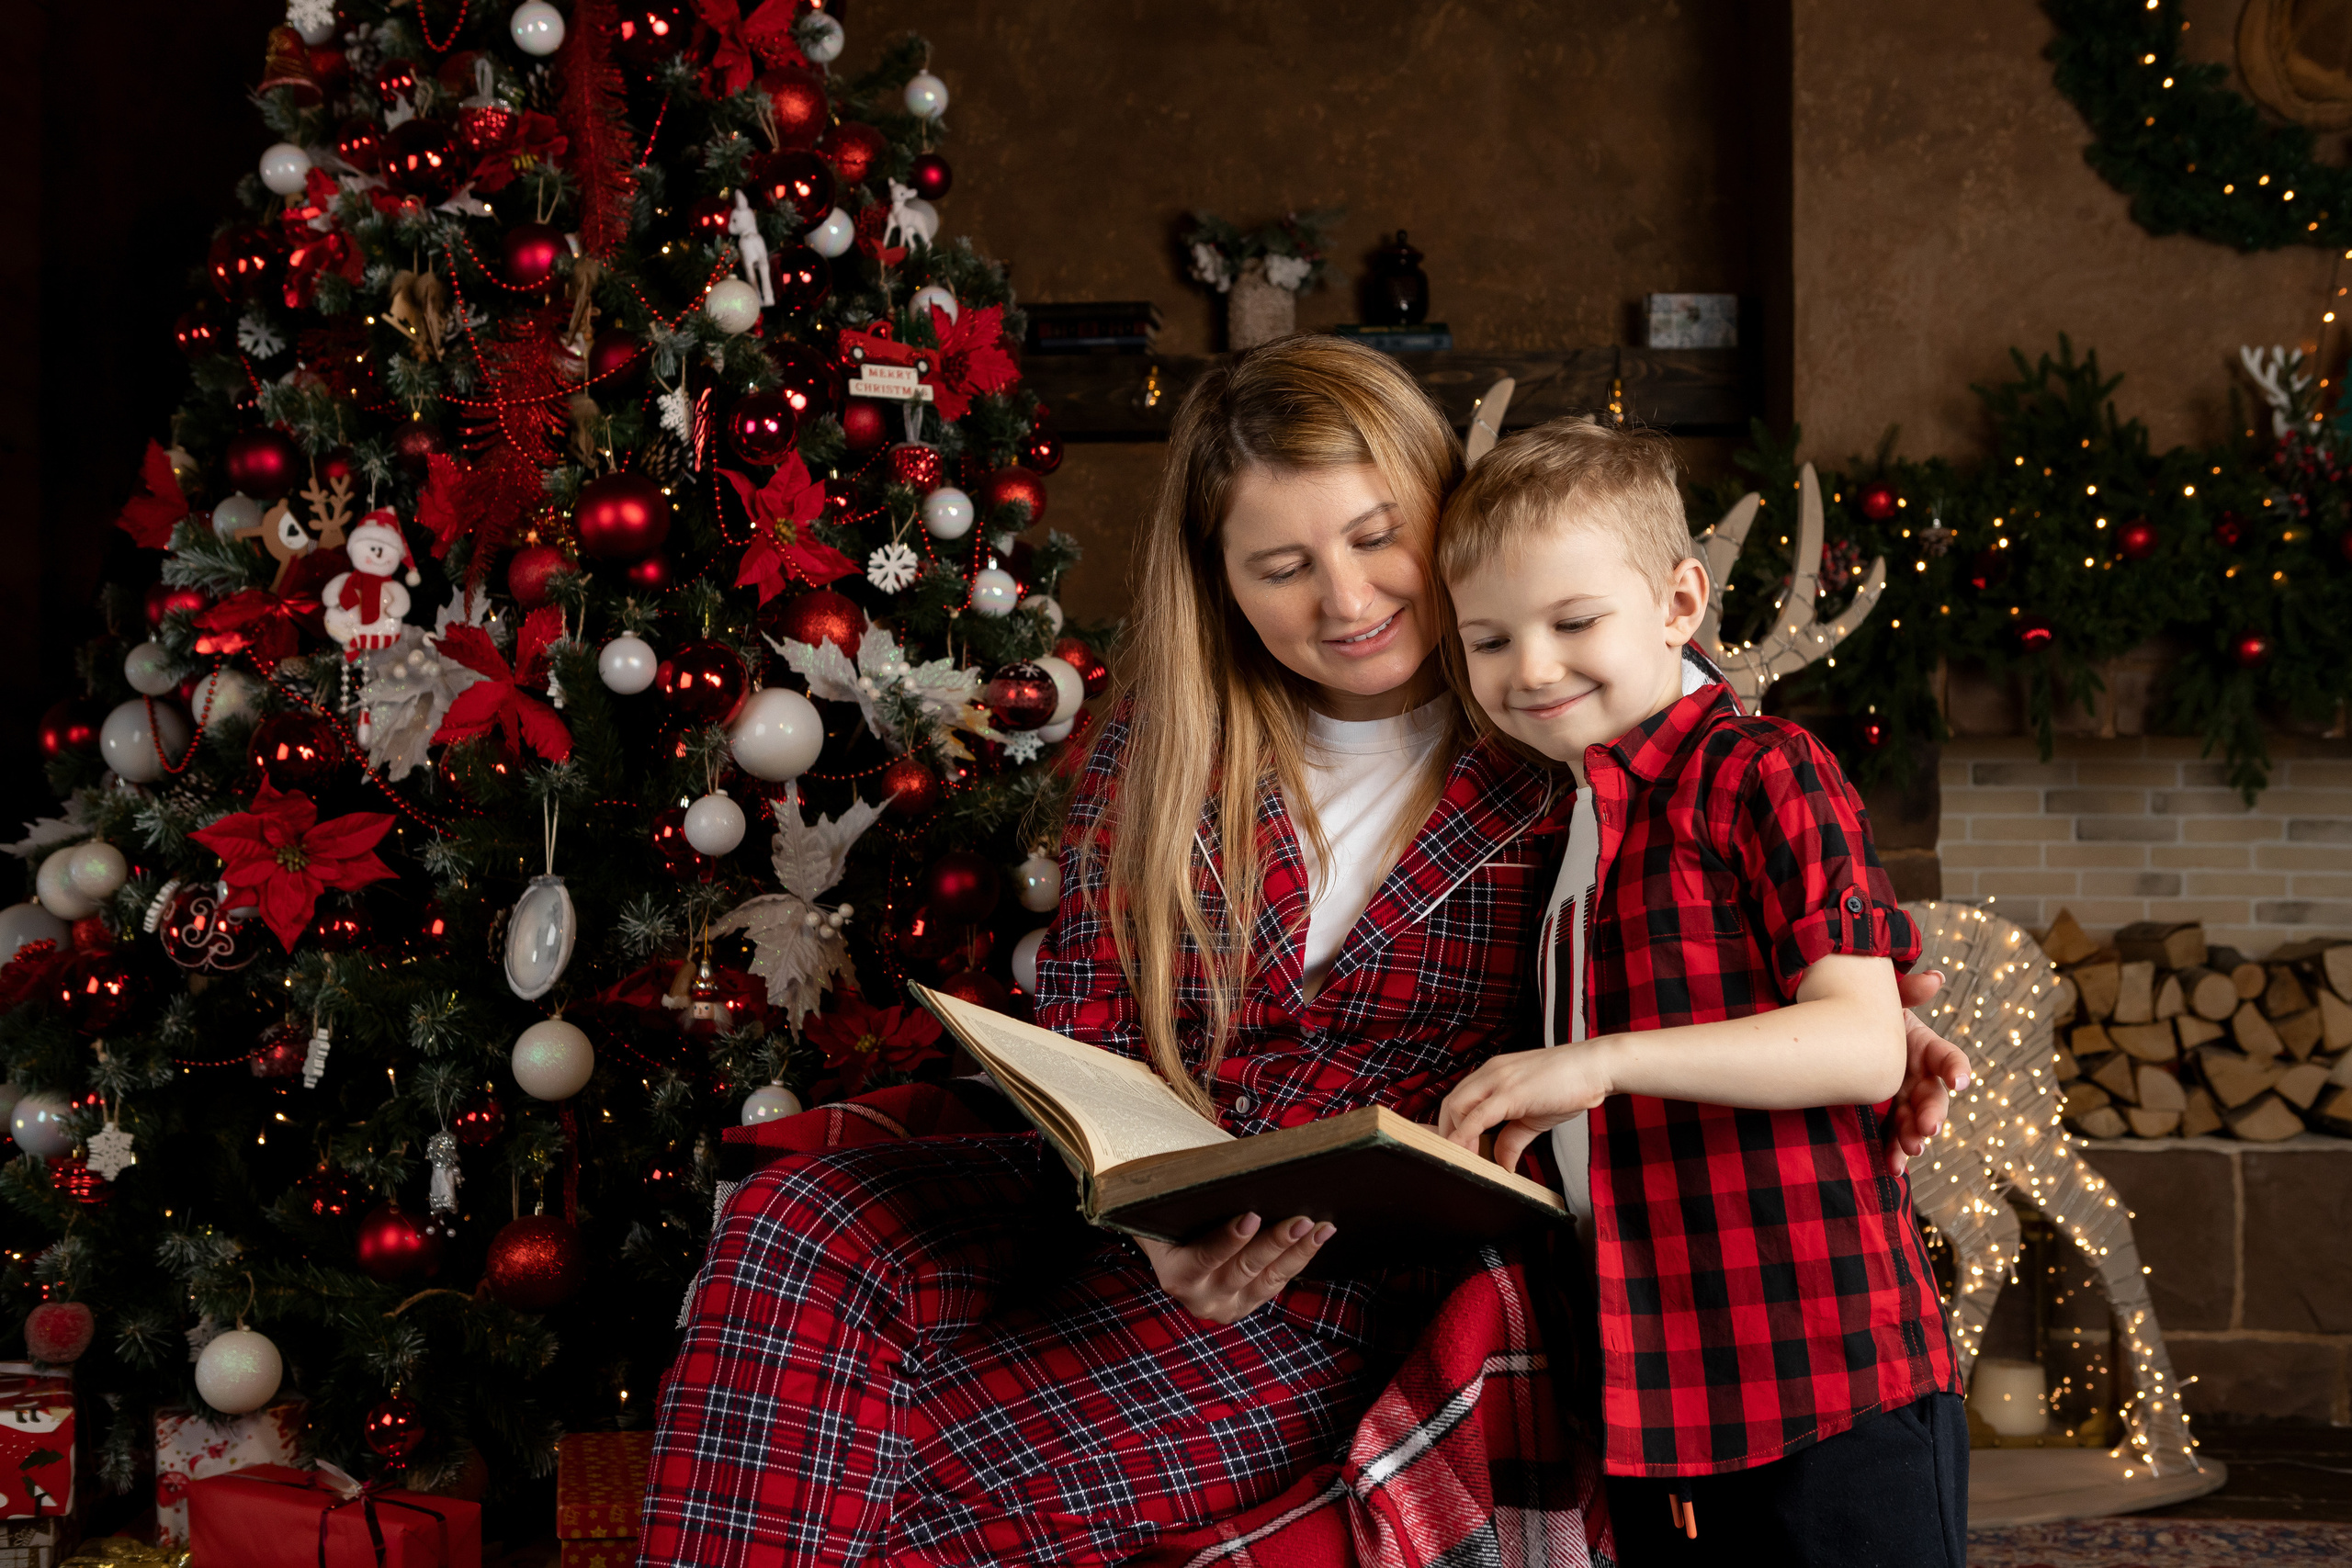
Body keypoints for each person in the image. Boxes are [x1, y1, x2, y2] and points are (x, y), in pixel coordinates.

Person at [638, 338, 1963, 1567]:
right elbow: (1097, 1042)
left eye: (1381, 539)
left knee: (908, 1489)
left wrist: (1888, 1020)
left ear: (1447, 518)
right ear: (1219, 578)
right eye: (1280, 567)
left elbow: (1749, 875)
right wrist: (1157, 1223)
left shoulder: (1563, 729)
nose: (1347, 599)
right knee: (793, 1219)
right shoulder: (1159, 757)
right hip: (1156, 1228)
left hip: (1357, 1275)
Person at [1433, 417, 1968, 1567]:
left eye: (1574, 623)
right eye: (1488, 639)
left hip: (1820, 1368)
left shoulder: (1764, 767)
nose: (1529, 668)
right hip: (1657, 1383)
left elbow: (1863, 1048)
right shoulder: (1562, 815)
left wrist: (1603, 1061)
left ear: (1678, 604)